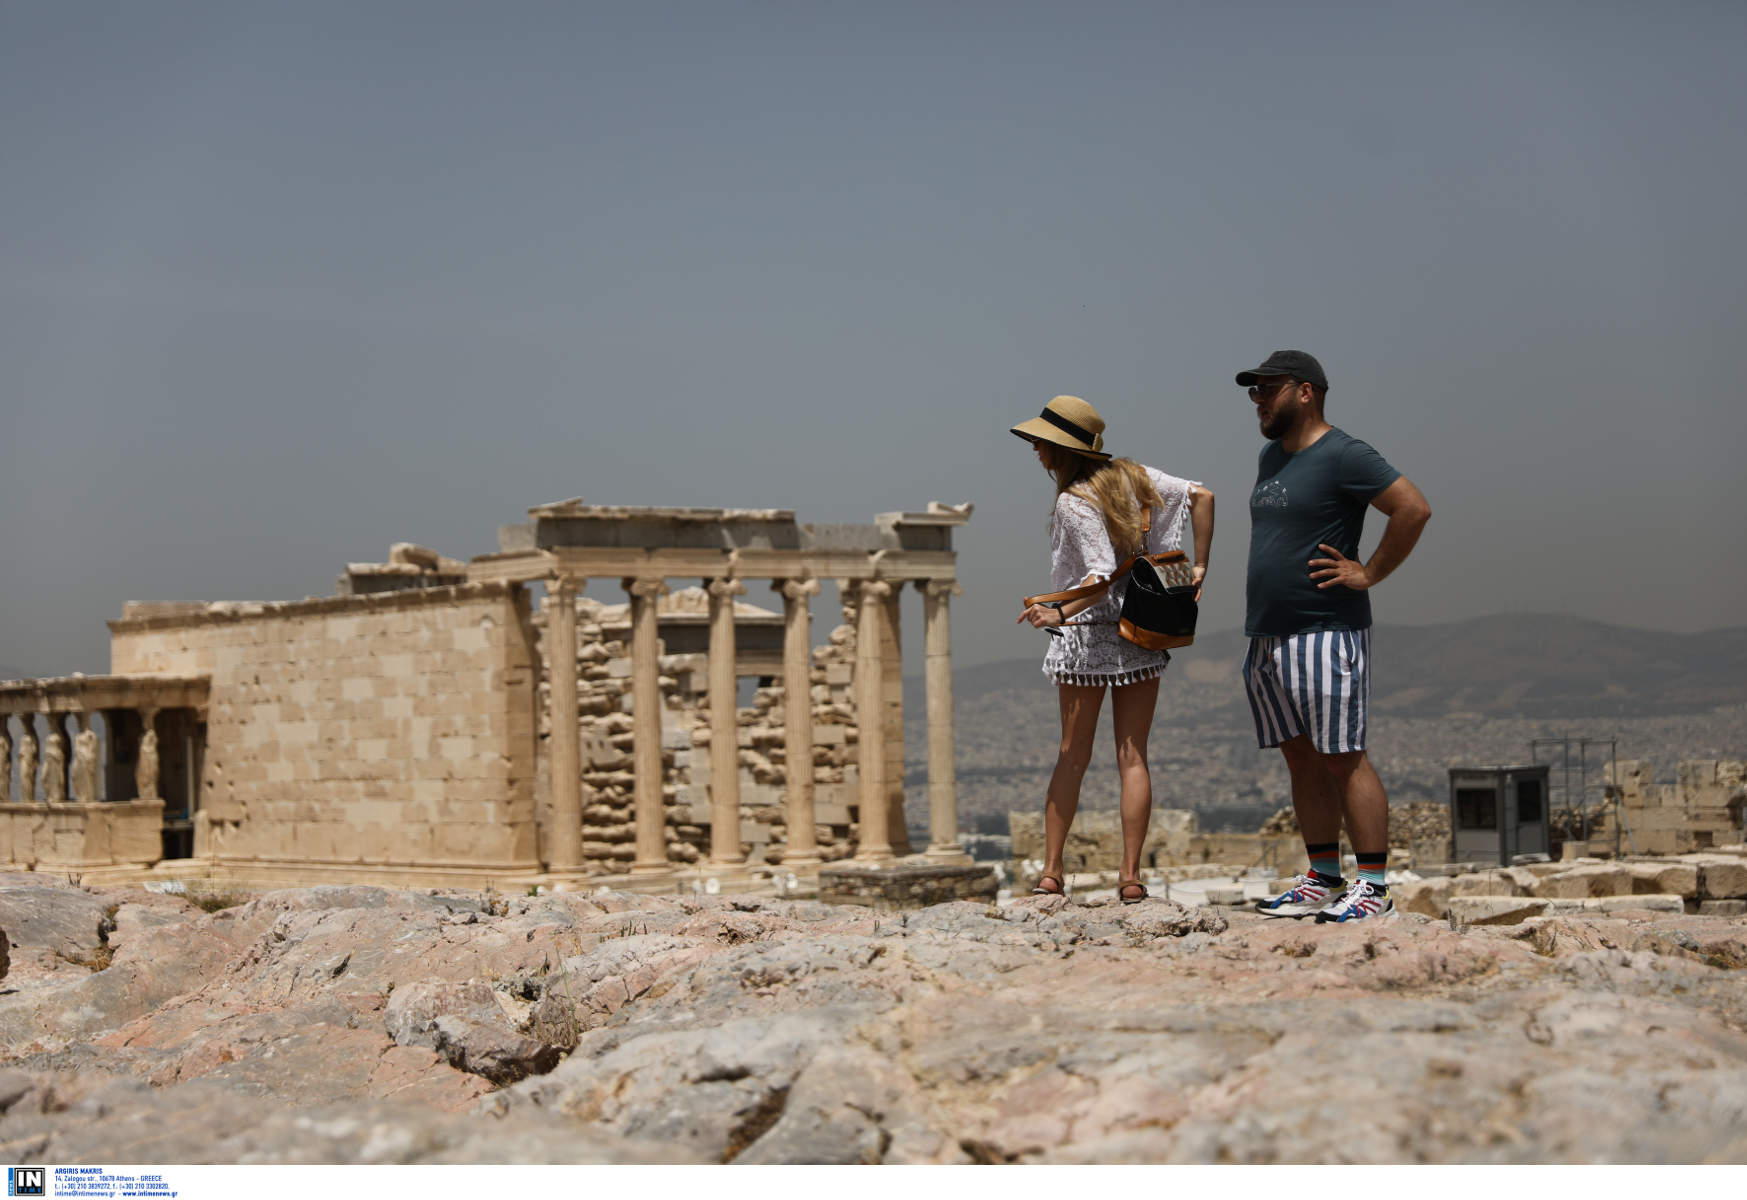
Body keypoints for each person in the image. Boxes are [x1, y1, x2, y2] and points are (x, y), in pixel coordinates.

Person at [1236, 351, 1431, 923]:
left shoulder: (1345, 452)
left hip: (1326, 629)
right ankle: (1322, 877)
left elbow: (1412, 508)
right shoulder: (1271, 457)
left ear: (1305, 391)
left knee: (1344, 755)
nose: (1257, 400)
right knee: (1300, 757)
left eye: (1267, 389)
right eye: (1253, 391)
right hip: (1267, 633)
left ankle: (1372, 887)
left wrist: (1368, 571)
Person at [1013, 395, 1214, 903]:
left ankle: (1052, 873)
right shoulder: (1135, 476)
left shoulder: (1073, 500)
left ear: (1061, 449)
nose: (1036, 449)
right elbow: (1204, 496)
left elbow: (1100, 576)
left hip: (1085, 638)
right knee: (1133, 758)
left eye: (1042, 442)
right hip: (1141, 630)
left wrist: (1057, 611)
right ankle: (1130, 877)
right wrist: (1200, 569)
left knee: (1071, 757)